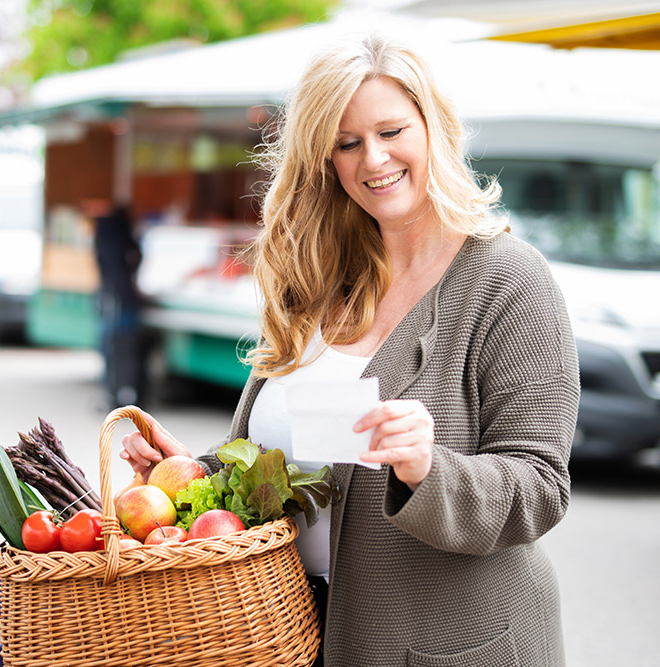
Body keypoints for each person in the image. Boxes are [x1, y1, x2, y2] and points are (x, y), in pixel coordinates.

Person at [120, 31, 579, 667]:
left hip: (447, 645)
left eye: (391, 131)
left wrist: (427, 466)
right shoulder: (320, 281)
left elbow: (539, 487)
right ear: (325, 160)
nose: (373, 159)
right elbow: (304, 467)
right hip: (300, 634)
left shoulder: (508, 280)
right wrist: (198, 477)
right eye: (347, 142)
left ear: (433, 128)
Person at [91, 202, 146, 409]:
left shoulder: (104, 233)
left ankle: (113, 391)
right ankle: (126, 391)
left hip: (111, 299)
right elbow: (137, 256)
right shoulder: (122, 234)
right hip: (125, 300)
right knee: (125, 348)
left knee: (111, 348)